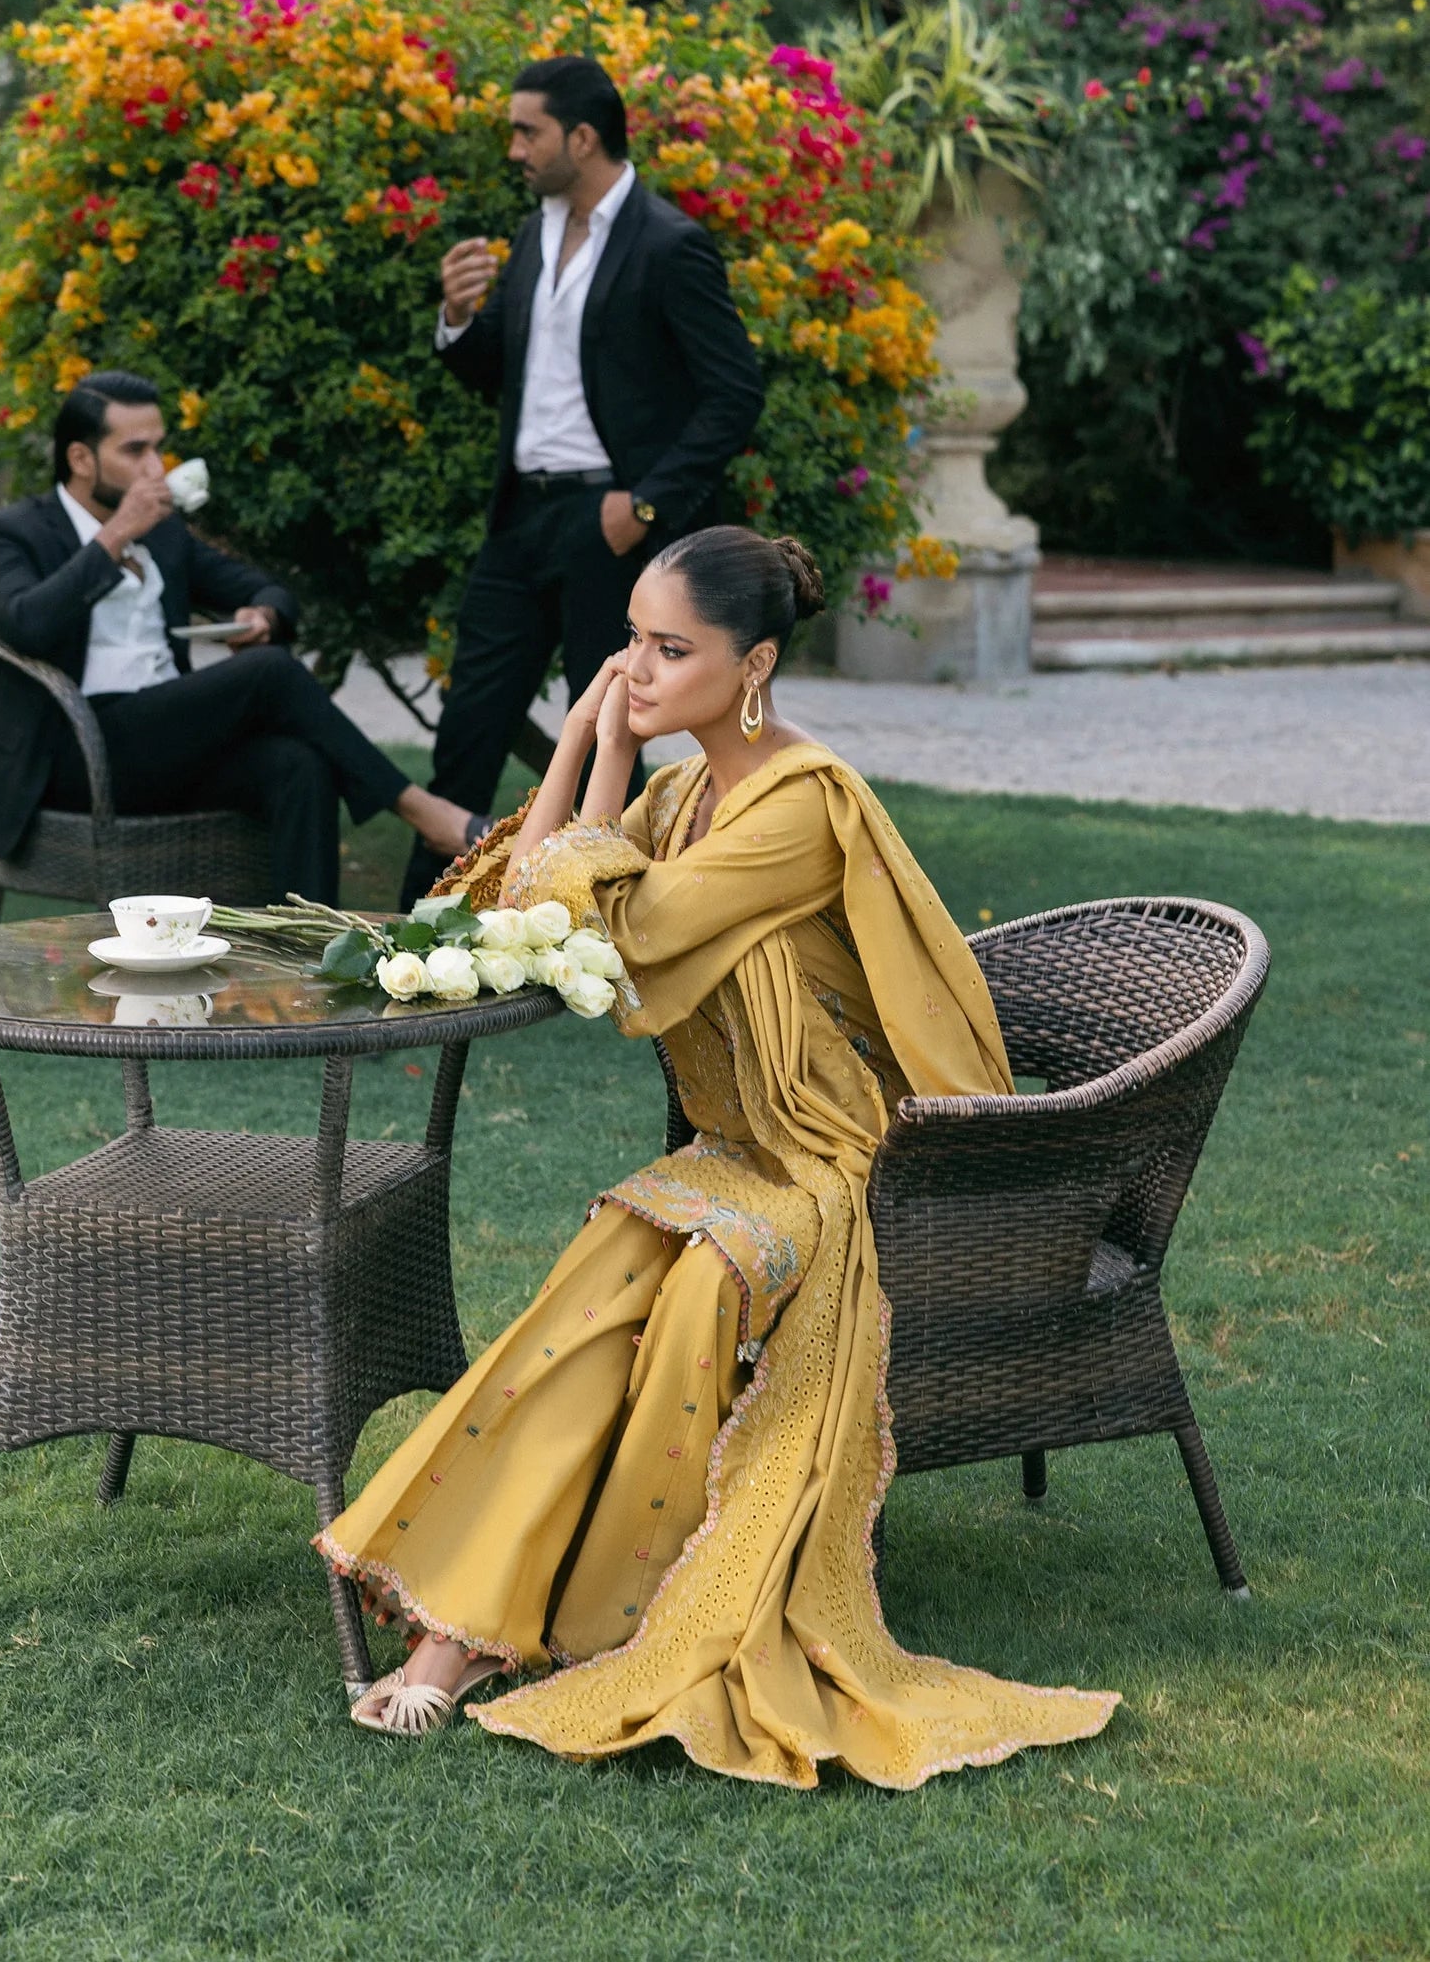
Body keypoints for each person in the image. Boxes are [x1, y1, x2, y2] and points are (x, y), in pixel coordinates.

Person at [319, 526, 1119, 1791]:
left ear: (751, 666)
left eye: (668, 648)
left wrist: (610, 754)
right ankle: (458, 1633)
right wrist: (589, 747)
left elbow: (627, 926)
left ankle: (605, 1618)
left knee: (695, 1279)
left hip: (847, 1164)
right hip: (735, 1152)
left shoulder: (801, 807)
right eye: (630, 639)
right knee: (601, 1278)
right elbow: (536, 903)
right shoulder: (682, 793)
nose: (634, 665)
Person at [397, 53, 765, 908]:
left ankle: (604, 916)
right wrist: (456, 321)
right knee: (468, 727)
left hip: (610, 527)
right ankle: (417, 925)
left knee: (612, 729)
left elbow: (734, 391)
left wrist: (642, 506)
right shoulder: (533, 234)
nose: (515, 148)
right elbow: (507, 372)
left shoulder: (669, 244)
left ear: (583, 136)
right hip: (519, 517)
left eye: (528, 131)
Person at [0, 370, 473, 906]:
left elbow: (269, 591)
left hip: (165, 739)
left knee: (298, 764)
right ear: (80, 459)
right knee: (270, 672)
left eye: (158, 449)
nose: (154, 469)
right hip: (74, 754)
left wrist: (263, 616)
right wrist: (115, 536)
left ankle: (305, 952)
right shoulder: (9, 532)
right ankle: (423, 811)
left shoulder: (161, 531)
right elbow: (26, 623)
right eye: (135, 451)